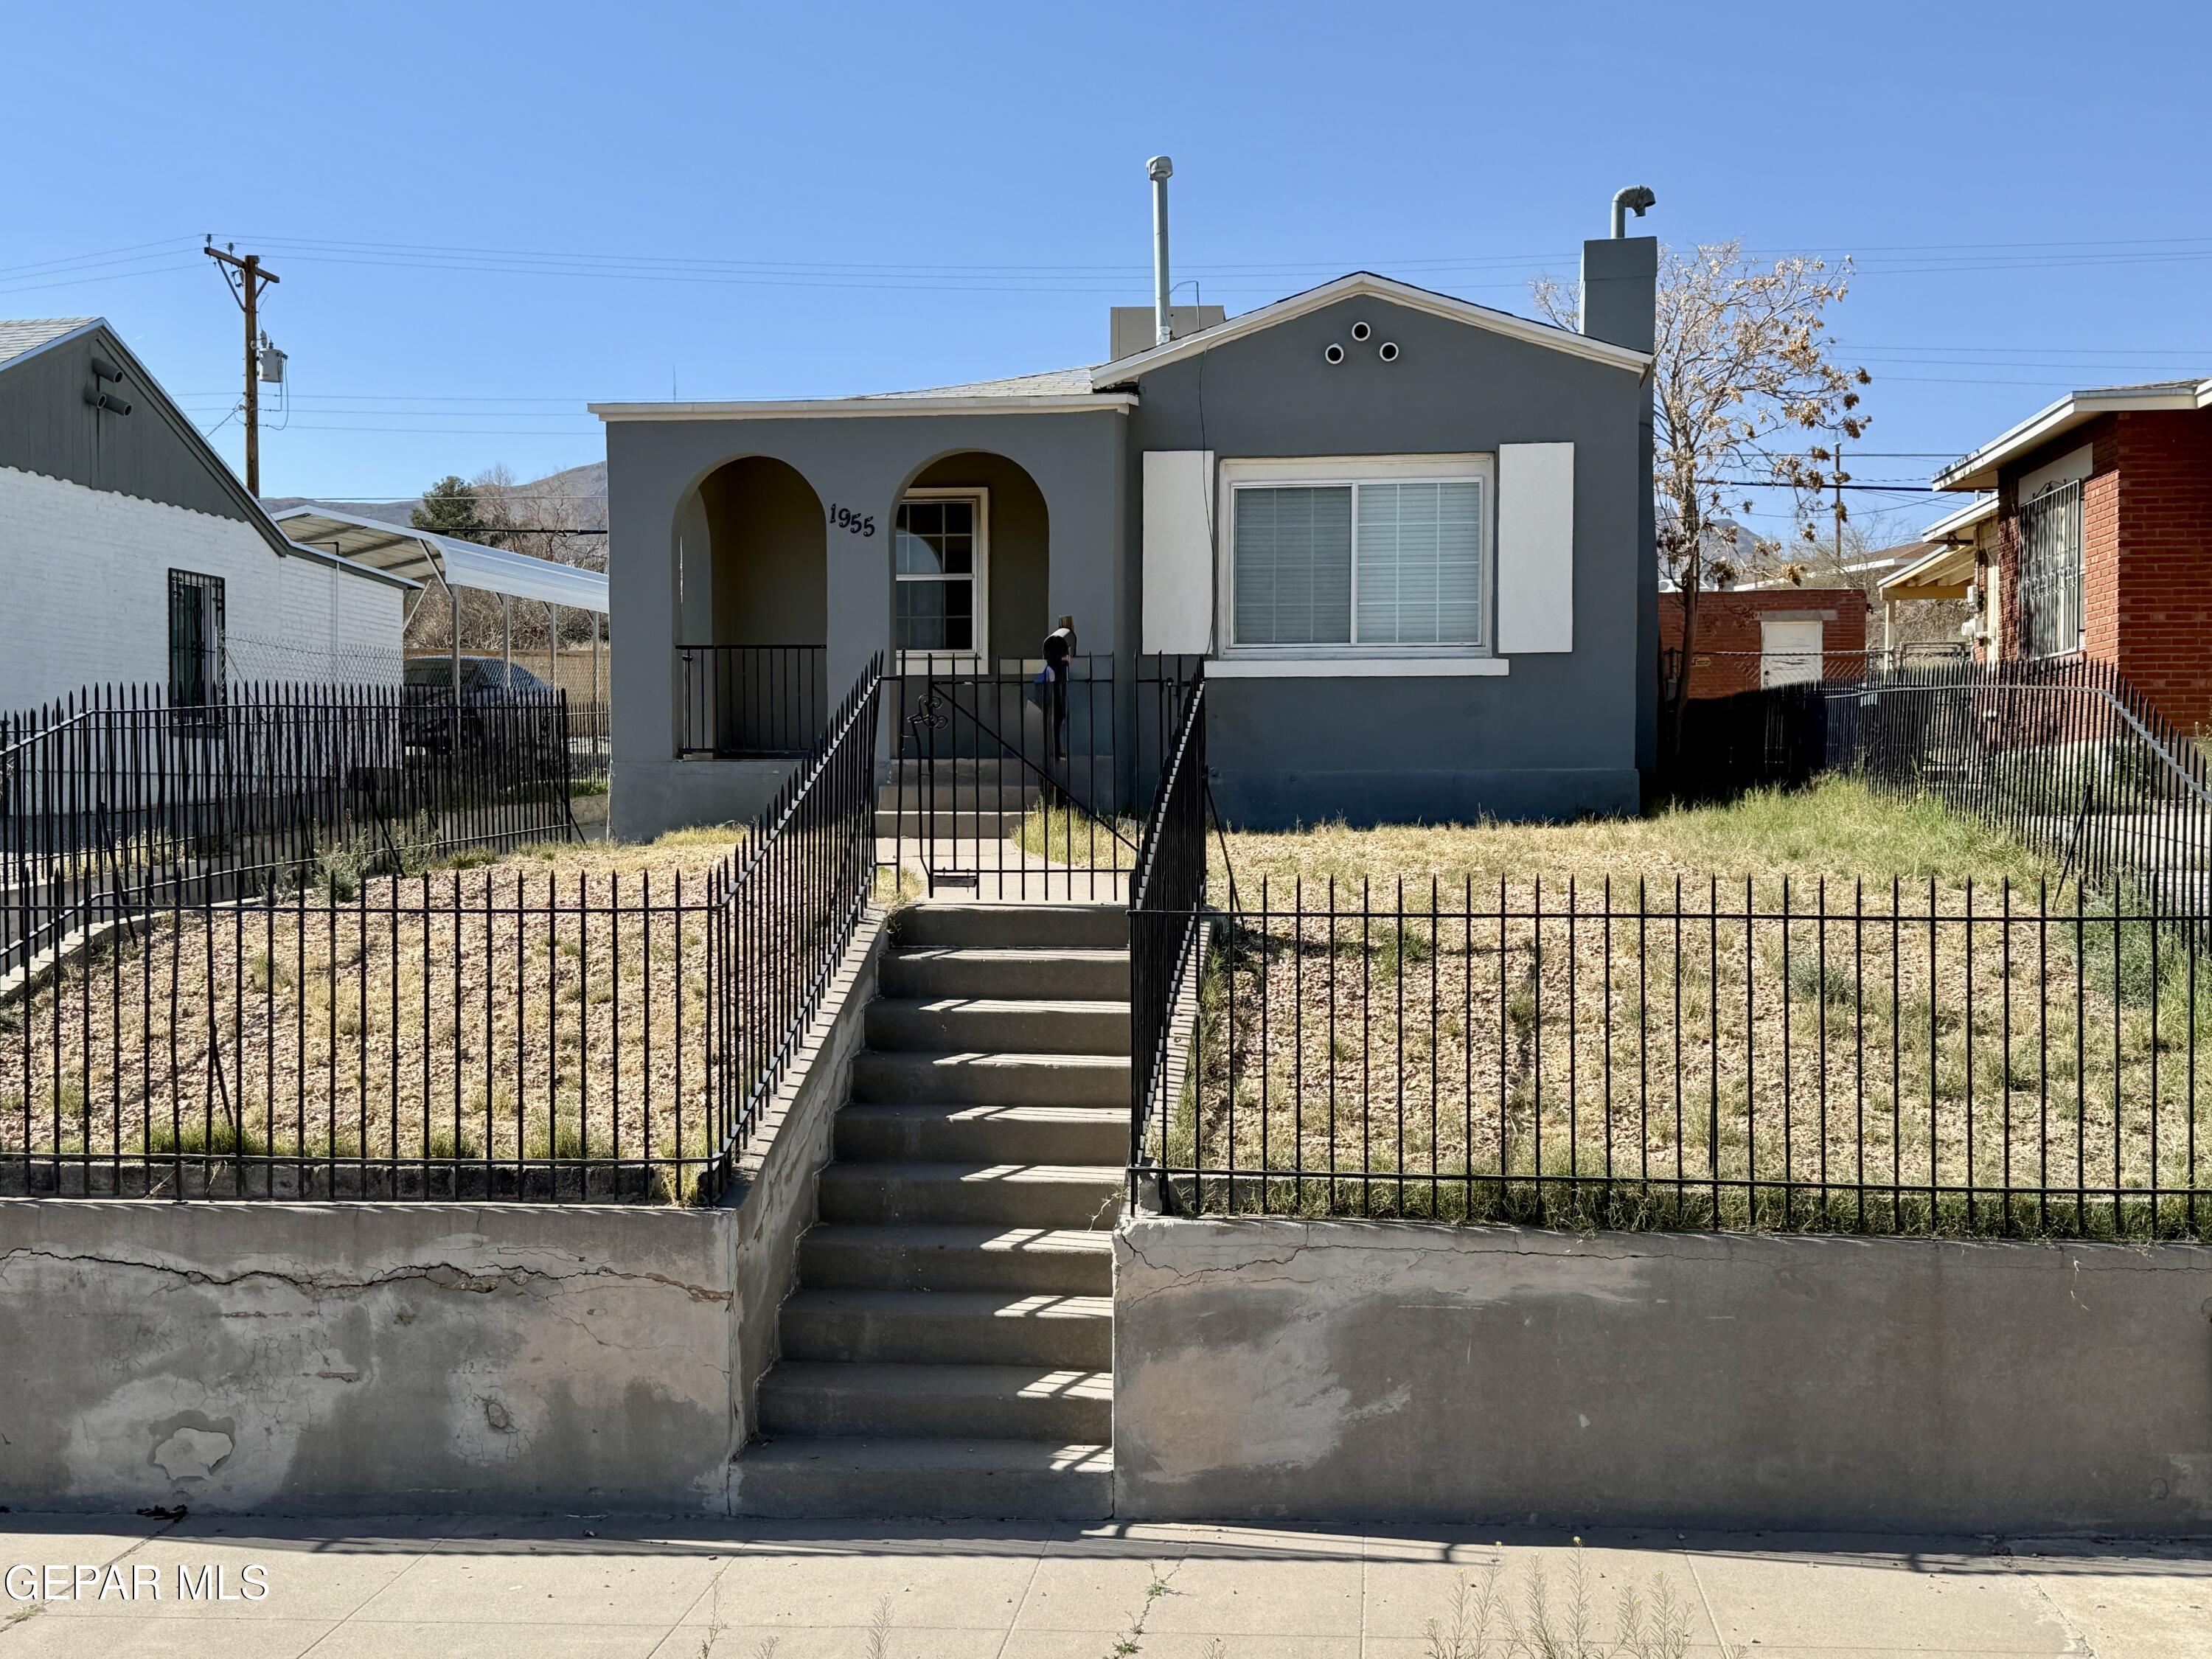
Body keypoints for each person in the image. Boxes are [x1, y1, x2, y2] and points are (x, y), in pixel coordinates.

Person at [1042, 616, 1077, 762]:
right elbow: (1073, 658)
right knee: (1060, 711)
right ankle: (1059, 749)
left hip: (1050, 666)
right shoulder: (1070, 635)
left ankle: (1052, 749)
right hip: (1059, 669)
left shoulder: (1052, 636)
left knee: (1052, 711)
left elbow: (1043, 660)